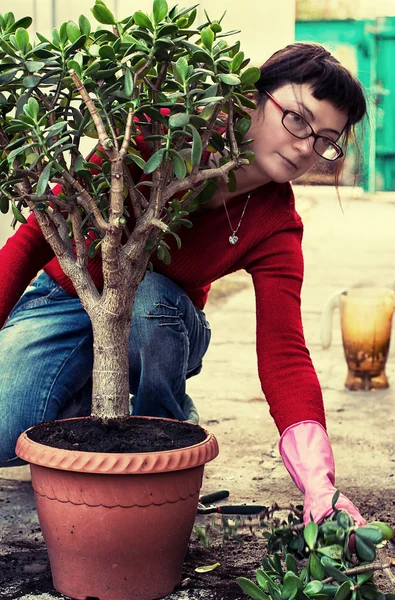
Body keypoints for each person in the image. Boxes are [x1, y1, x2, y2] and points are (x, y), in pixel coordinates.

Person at [0, 43, 367, 525]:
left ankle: (165, 427)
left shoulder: (277, 224)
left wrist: (319, 484)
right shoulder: (162, 135)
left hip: (163, 323)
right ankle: (83, 398)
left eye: (326, 139)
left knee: (150, 295)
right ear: (251, 98)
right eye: (297, 119)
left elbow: (284, 349)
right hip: (63, 300)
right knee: (7, 436)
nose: (306, 147)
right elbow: (33, 238)